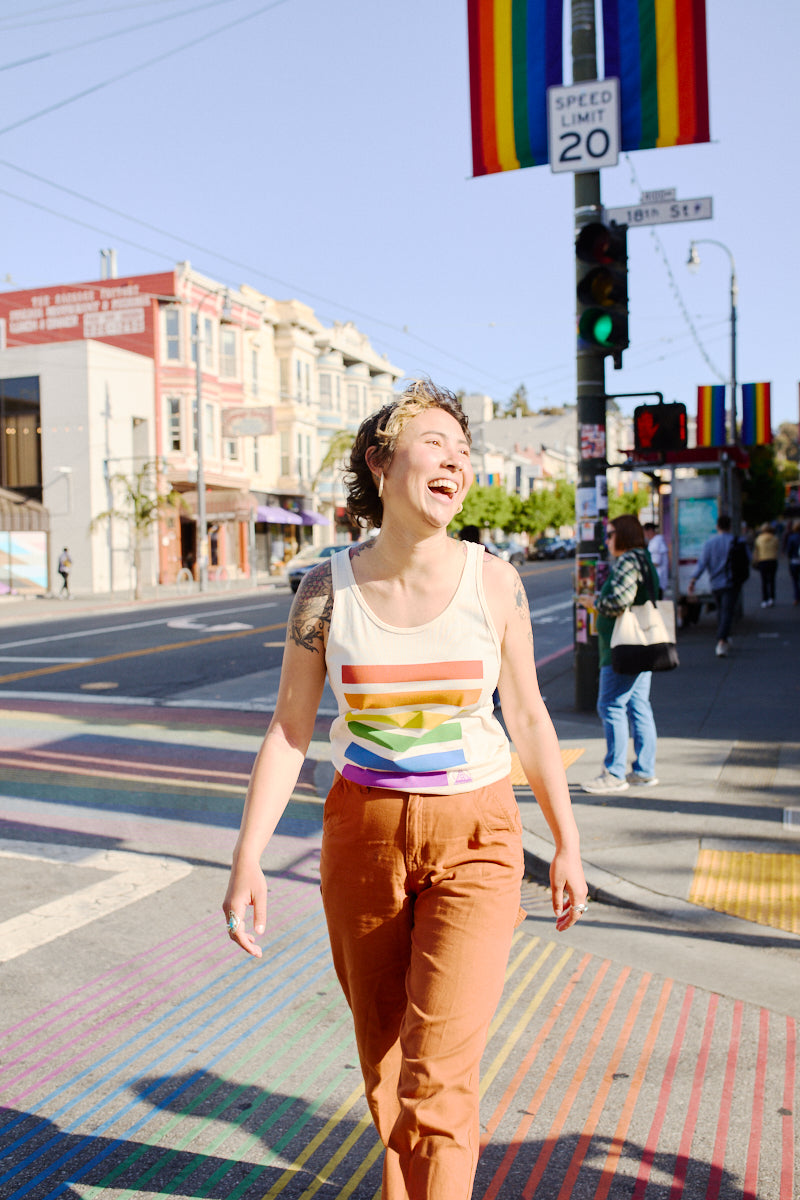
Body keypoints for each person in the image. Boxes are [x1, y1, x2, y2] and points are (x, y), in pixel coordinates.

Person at [222, 380, 587, 1200]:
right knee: (386, 1068)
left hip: (480, 835)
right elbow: (288, 730)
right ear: (381, 463)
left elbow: (527, 717)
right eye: (436, 443)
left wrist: (566, 841)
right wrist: (247, 856)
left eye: (464, 452)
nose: (456, 460)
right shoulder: (324, 592)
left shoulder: (496, 584)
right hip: (363, 835)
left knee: (438, 1079)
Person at [578, 515, 660, 794]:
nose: (607, 539)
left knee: (611, 705)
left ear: (623, 534)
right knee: (639, 706)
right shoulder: (645, 558)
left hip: (622, 646)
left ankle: (614, 773)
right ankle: (644, 770)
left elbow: (618, 601)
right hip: (643, 643)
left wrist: (595, 601)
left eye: (611, 534)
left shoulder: (628, 561)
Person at [687, 514, 745, 658]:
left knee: (721, 610)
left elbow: (702, 563)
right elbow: (747, 559)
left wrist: (693, 580)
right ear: (730, 526)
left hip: (715, 583)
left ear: (717, 526)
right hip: (731, 582)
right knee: (727, 611)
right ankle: (722, 640)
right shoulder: (737, 541)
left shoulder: (710, 543)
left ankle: (724, 637)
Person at [752, 521, 779, 607]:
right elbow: (777, 548)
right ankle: (771, 598)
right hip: (772, 560)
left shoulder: (759, 539)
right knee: (772, 580)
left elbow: (756, 551)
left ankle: (764, 599)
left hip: (762, 560)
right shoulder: (775, 538)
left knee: (764, 581)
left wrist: (755, 560)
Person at [642, 521, 669, 596]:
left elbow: (656, 562)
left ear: (650, 531)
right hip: (658, 580)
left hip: (658, 580)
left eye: (644, 532)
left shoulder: (656, 543)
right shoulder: (655, 541)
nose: (644, 535)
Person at [786, 519, 800, 606]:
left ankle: (796, 597)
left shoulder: (792, 537)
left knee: (795, 581)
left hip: (795, 561)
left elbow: (789, 551)